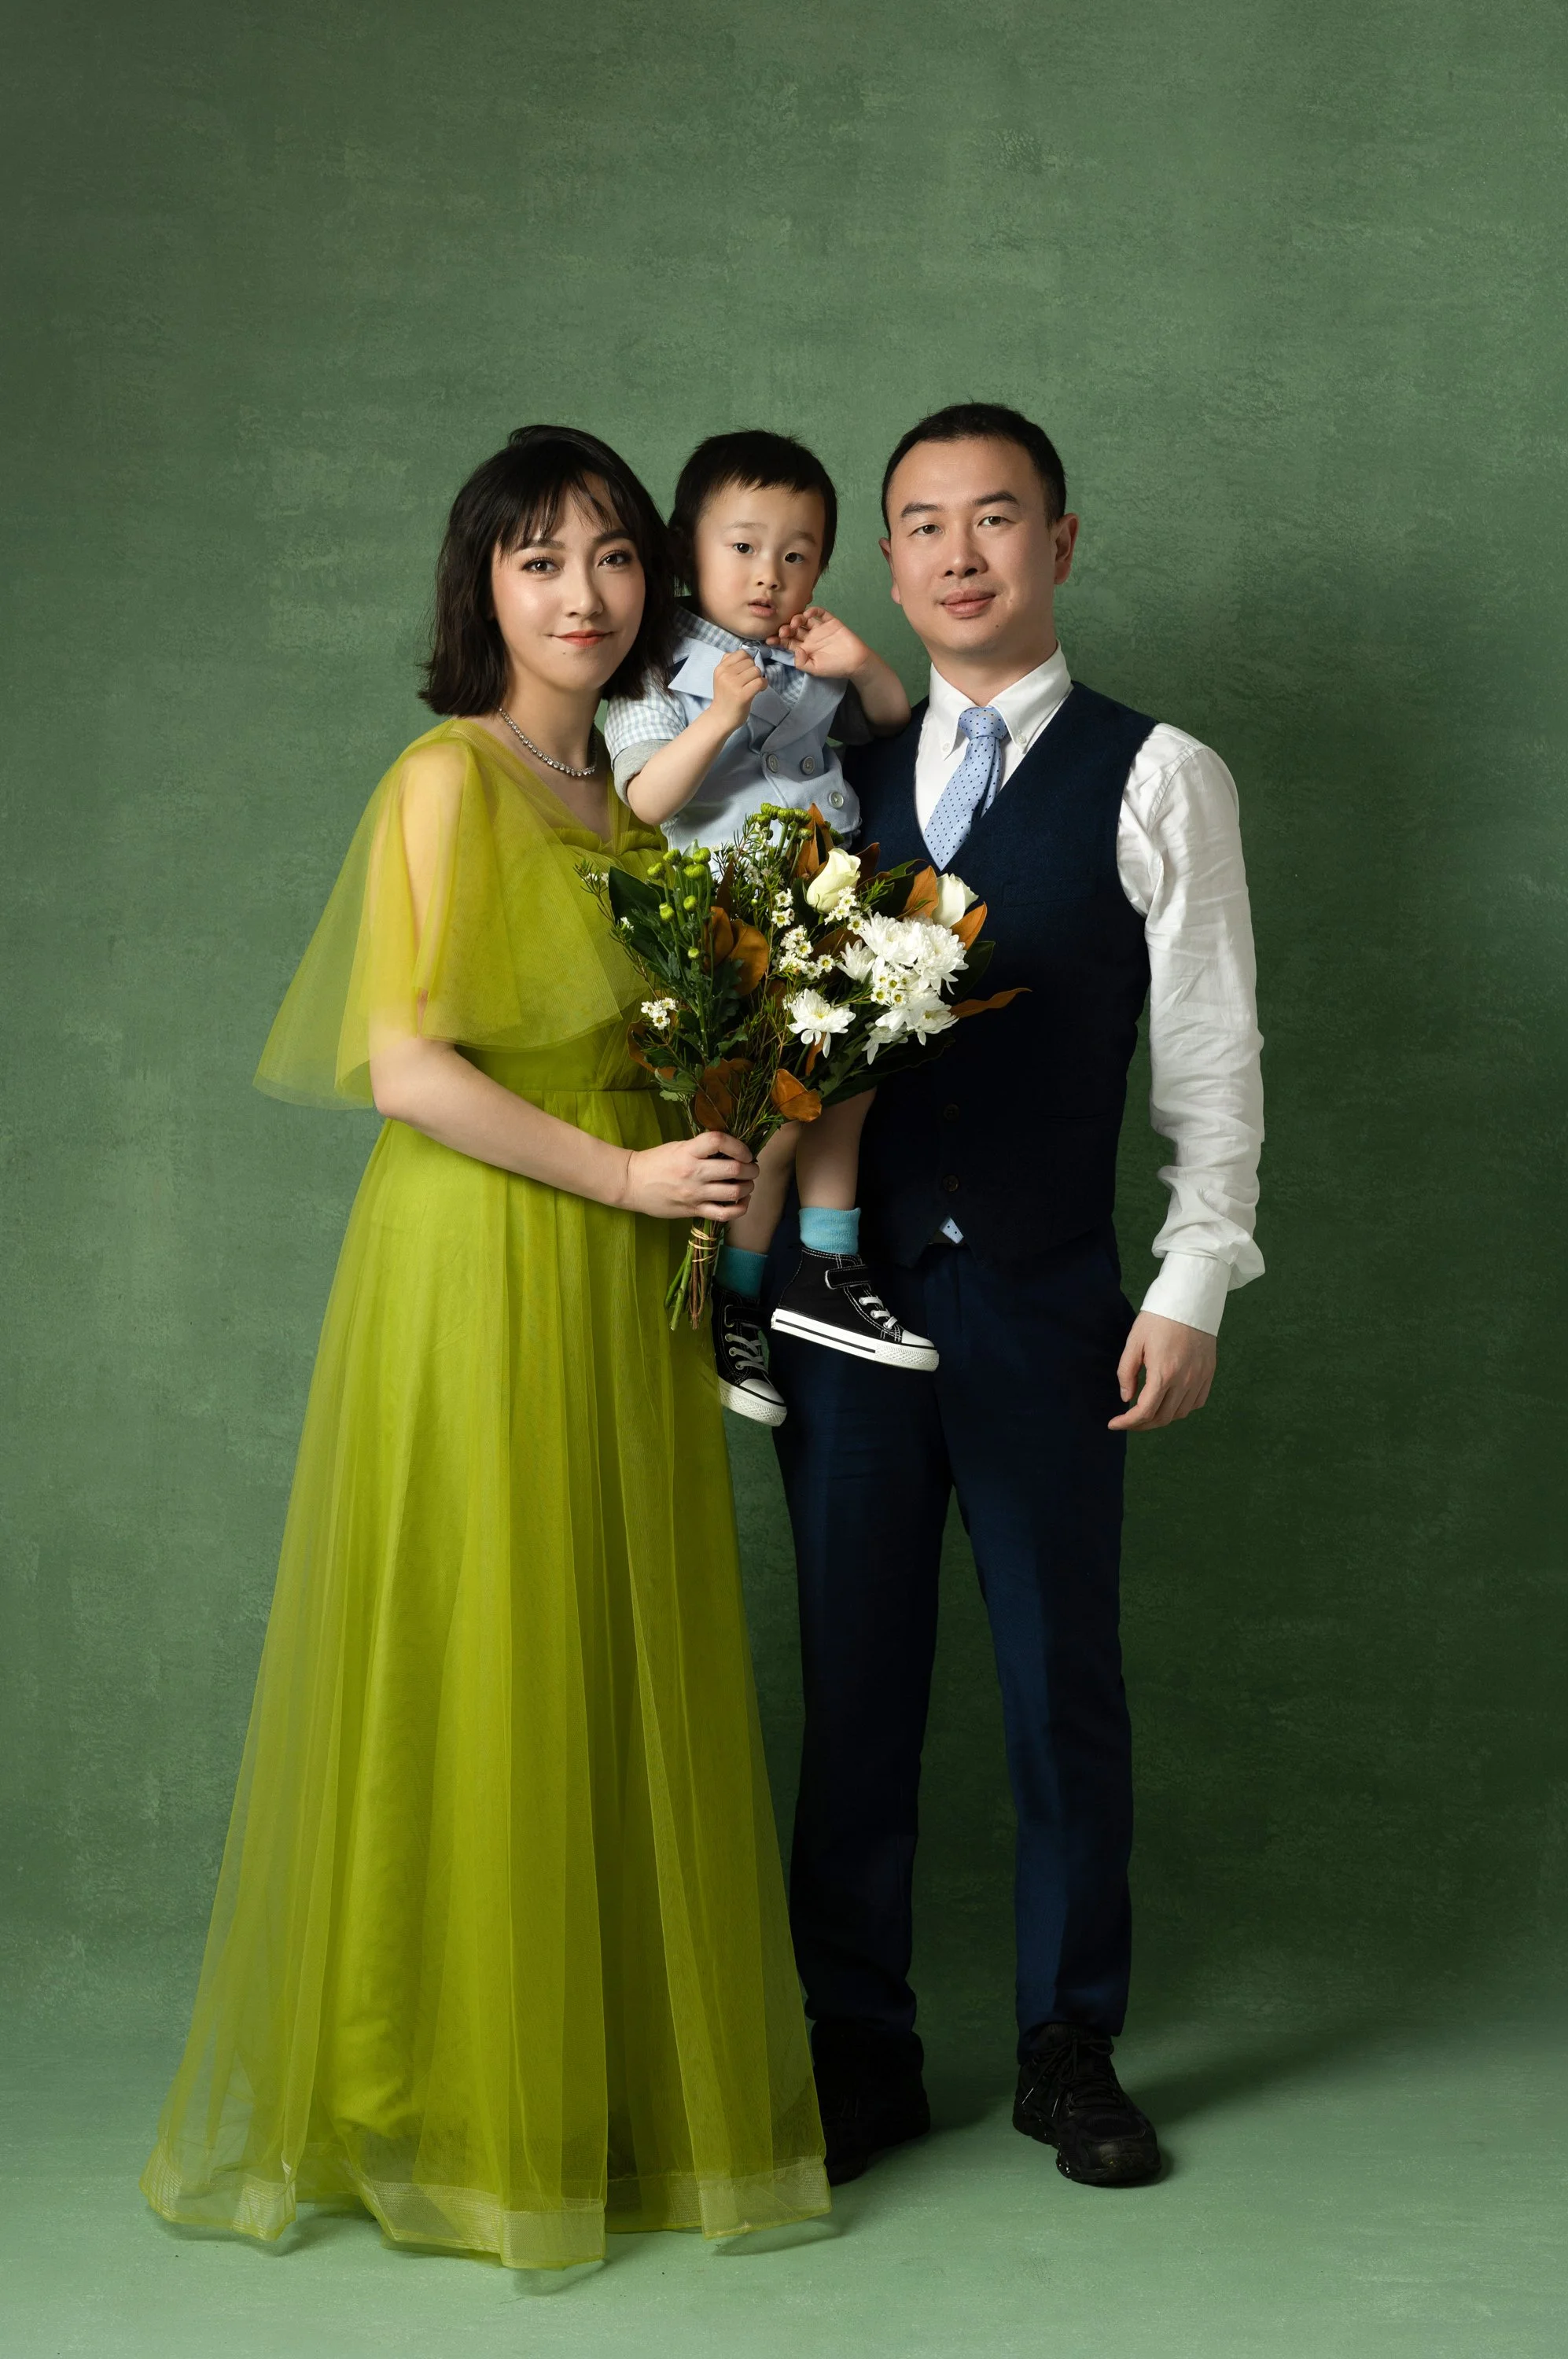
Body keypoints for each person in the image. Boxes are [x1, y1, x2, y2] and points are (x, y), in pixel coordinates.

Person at [140, 425, 829, 2270]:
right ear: (483, 589)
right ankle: (434, 2098)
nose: (582, 594)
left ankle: (573, 2082)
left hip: (615, 1269)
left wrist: (731, 1132)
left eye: (611, 556)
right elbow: (408, 1064)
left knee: (592, 1646)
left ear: (651, 583)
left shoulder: (628, 803)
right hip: (478, 1259)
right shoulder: (444, 778)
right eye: (538, 561)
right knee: (477, 1644)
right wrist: (629, 1169)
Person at [767, 403, 1264, 2190]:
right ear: (887, 566)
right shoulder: (827, 774)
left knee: (1061, 1680)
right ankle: (857, 2051)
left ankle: (1069, 2046)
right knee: (853, 1682)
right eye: (921, 524)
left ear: (1058, 542)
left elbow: (1209, 1049)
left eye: (995, 518)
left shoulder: (1158, 771)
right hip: (842, 1300)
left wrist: (1192, 1275)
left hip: (1050, 1301)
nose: (958, 552)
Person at [602, 429, 936, 1426]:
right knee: (773, 1124)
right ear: (684, 550)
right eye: (743, 547)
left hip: (824, 900)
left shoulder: (802, 649)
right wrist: (717, 715)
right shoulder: (651, 661)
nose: (769, 575)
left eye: (796, 555)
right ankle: (736, 1303)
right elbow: (648, 797)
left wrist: (860, 663)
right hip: (735, 923)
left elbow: (888, 723)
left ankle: (826, 1265)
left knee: (849, 1086)